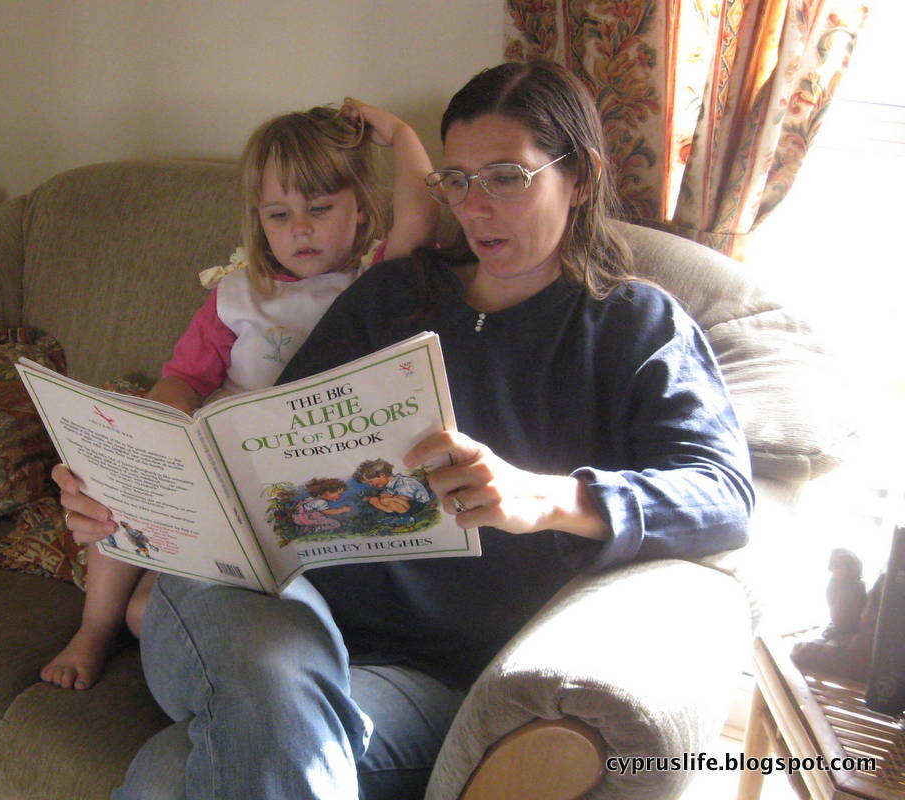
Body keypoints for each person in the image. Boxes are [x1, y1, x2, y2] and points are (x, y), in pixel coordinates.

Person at [64, 60, 755, 799]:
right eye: (457, 181)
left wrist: (543, 498)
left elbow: (723, 495)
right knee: (269, 663)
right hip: (260, 605)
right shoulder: (395, 293)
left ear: (579, 176)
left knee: (174, 776)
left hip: (423, 675)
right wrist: (132, 492)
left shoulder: (635, 327)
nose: (475, 209)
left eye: (506, 178)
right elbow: (263, 446)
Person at [43, 98, 438, 691]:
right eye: (279, 214)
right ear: (259, 220)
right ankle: (94, 628)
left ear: (361, 208)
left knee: (149, 613)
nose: (299, 228)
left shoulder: (372, 278)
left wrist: (401, 133)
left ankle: (165, 611)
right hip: (217, 472)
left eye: (320, 208)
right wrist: (164, 417)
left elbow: (421, 218)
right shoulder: (236, 295)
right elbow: (183, 378)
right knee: (120, 518)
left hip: (301, 484)